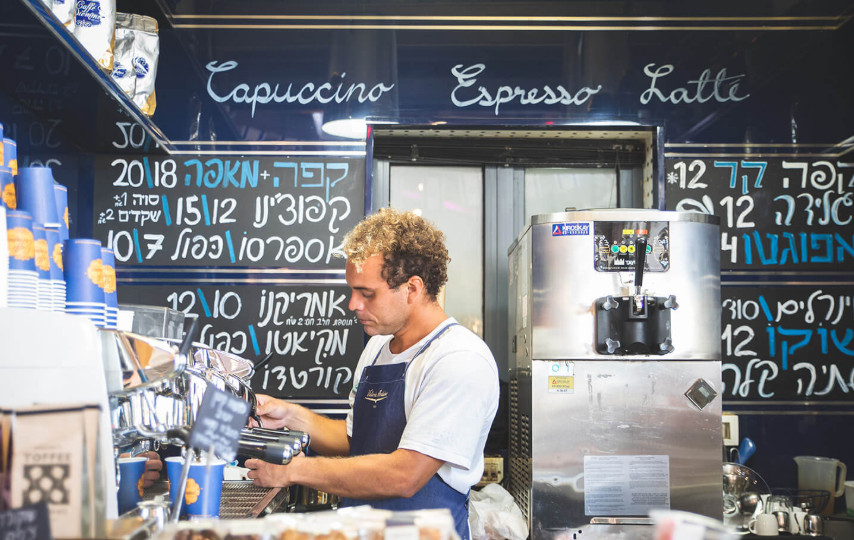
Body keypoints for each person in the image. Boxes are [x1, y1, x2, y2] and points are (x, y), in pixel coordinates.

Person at [245, 208, 500, 539]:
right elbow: (356, 443)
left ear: (413, 288)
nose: (352, 304)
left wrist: (294, 471)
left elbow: (405, 475)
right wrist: (291, 416)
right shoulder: (377, 347)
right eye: (352, 290)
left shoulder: (458, 359)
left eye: (367, 293)